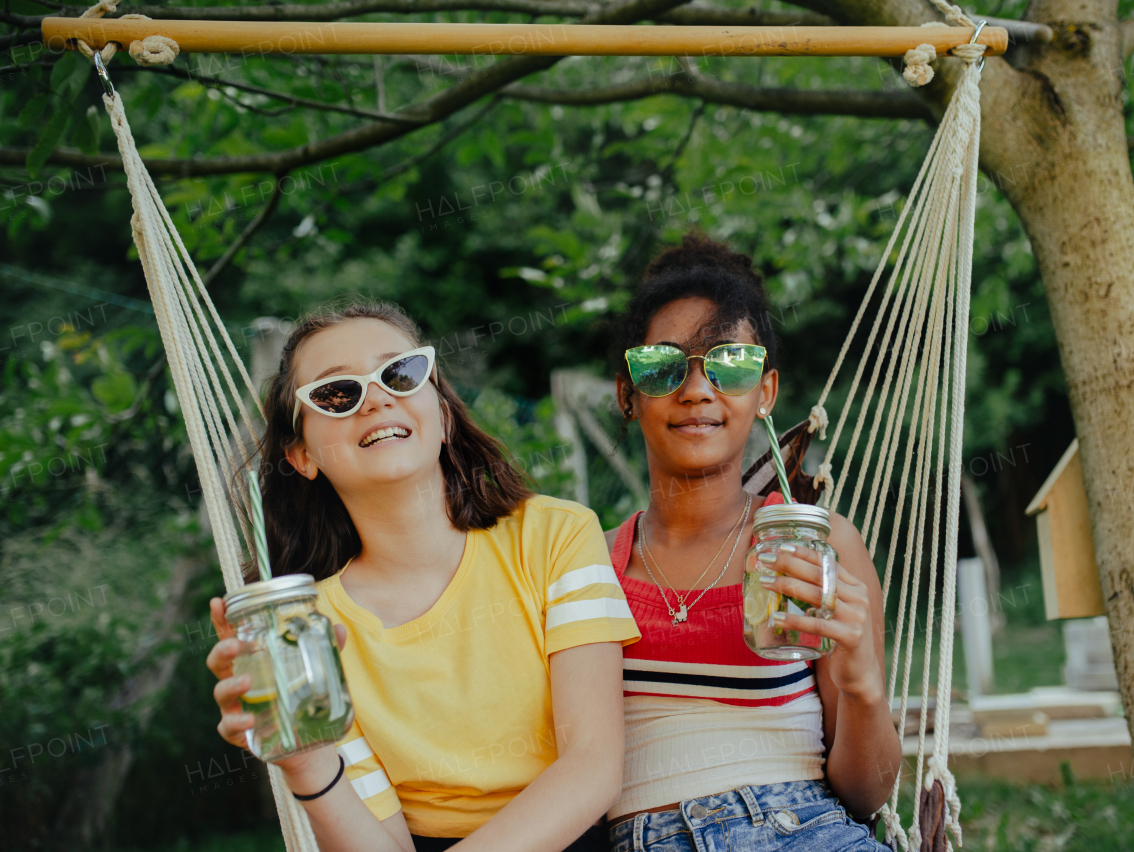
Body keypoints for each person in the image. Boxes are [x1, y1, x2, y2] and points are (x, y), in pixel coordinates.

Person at [205, 300, 639, 852]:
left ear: (443, 413)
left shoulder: (556, 536)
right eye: (337, 393)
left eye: (400, 372)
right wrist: (308, 763)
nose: (378, 398)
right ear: (301, 454)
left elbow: (593, 768)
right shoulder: (308, 630)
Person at [604, 235, 900, 851]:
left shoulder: (816, 548)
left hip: (805, 830)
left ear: (764, 392)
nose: (697, 390)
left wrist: (863, 689)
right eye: (662, 367)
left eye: (729, 365)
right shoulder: (587, 564)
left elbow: (866, 795)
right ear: (626, 394)